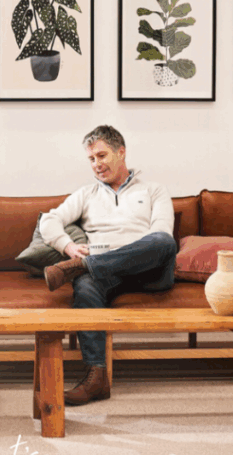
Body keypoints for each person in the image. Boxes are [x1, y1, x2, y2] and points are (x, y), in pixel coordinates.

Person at [39, 125, 176, 405]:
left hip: (148, 270)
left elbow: (163, 233)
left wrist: (86, 260)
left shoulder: (153, 190)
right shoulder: (86, 194)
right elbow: (49, 220)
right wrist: (68, 247)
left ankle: (82, 266)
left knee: (163, 241)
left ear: (121, 152)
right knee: (86, 286)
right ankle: (96, 378)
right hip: (106, 276)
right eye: (91, 159)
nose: (97, 165)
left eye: (102, 156)